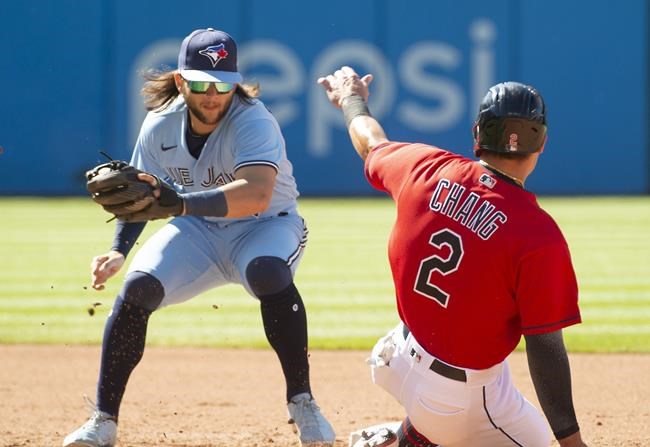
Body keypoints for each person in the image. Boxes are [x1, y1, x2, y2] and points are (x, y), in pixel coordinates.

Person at [63, 28, 335, 447]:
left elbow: (256, 194)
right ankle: (103, 420)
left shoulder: (254, 120)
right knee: (137, 289)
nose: (213, 95)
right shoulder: (159, 125)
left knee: (267, 273)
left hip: (266, 225)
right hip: (198, 229)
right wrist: (118, 250)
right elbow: (140, 196)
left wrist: (179, 204)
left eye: (223, 84)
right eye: (201, 83)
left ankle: (303, 403)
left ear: (235, 83)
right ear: (180, 81)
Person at [318, 66, 588, 447]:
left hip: (396, 358)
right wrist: (573, 444)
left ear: (478, 134)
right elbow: (545, 347)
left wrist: (351, 98)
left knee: (492, 372)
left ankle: (406, 436)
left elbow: (370, 141)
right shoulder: (538, 234)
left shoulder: (425, 168)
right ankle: (423, 434)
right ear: (541, 143)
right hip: (456, 402)